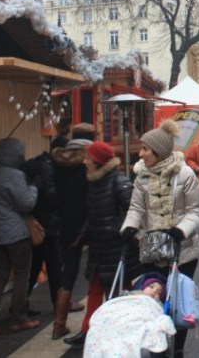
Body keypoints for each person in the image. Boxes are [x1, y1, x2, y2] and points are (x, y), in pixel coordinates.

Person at [120, 119, 199, 358]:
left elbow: (195, 211)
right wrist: (129, 227)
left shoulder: (185, 174)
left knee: (178, 302)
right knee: (152, 298)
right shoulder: (141, 176)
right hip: (152, 249)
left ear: (159, 151)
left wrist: (180, 230)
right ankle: (159, 346)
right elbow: (136, 208)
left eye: (145, 149)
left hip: (182, 250)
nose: (141, 153)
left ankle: (178, 348)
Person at [64, 140, 139, 347]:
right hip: (100, 247)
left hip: (115, 247)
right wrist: (83, 234)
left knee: (117, 293)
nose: (84, 161)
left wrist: (117, 229)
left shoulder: (118, 181)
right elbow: (94, 213)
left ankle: (118, 332)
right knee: (95, 288)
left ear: (97, 160)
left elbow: (134, 210)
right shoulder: (96, 181)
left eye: (88, 157)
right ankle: (89, 330)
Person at [0, 137, 40, 335]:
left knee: (0, 275)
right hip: (16, 235)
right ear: (15, 155)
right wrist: (34, 187)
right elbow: (27, 204)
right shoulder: (15, 175)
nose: (23, 157)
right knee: (21, 275)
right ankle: (19, 318)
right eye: (21, 154)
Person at [23, 136, 67, 337]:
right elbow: (50, 195)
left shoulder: (36, 163)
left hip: (37, 222)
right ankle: (59, 306)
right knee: (54, 264)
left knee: (34, 266)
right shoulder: (49, 168)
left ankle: (20, 306)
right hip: (47, 223)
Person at [50, 124, 94, 320]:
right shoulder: (90, 161)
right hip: (90, 221)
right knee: (97, 270)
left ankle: (59, 322)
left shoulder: (59, 161)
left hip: (66, 221)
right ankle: (93, 320)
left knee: (69, 270)